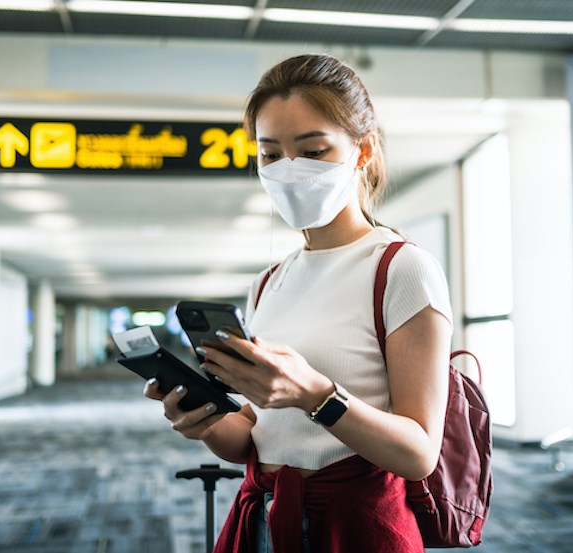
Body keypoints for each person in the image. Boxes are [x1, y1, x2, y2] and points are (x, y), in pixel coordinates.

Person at [144, 53, 453, 553]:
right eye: (270, 154)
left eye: (312, 150)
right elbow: (256, 434)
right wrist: (204, 422)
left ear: (363, 150)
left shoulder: (399, 267)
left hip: (356, 524)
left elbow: (419, 454)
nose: (290, 170)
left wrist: (314, 394)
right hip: (267, 517)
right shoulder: (269, 281)